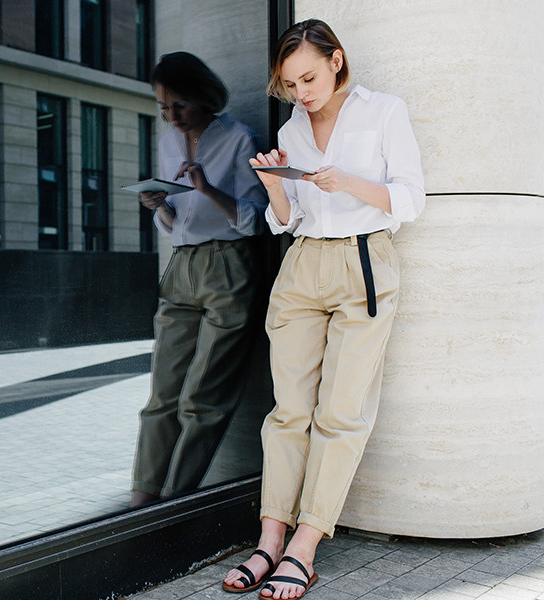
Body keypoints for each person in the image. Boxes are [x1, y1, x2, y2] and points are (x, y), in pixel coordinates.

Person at [222, 19, 424, 599]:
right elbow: (289, 221)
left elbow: (412, 198)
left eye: (308, 77)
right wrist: (275, 185)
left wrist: (351, 184)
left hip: (363, 260)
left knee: (341, 412)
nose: (301, 93)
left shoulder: (383, 110)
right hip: (303, 265)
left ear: (336, 60)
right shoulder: (293, 126)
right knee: (288, 412)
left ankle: (305, 547)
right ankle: (269, 540)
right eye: (290, 85)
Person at [130, 52, 269, 508]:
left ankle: (175, 501)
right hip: (181, 265)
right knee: (161, 395)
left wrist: (208, 189)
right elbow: (177, 224)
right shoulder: (170, 144)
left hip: (228, 265)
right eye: (163, 107)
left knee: (203, 399)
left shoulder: (239, 139)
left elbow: (254, 220)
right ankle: (141, 499)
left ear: (205, 98)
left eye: (180, 105)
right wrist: (161, 207)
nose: (171, 117)